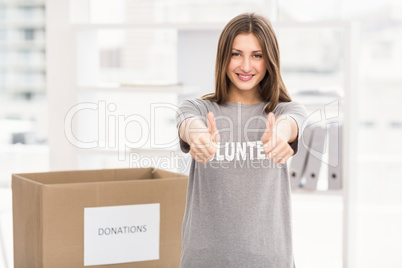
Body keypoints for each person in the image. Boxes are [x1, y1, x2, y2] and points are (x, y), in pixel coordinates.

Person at [176, 12, 307, 268]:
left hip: (270, 260)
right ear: (223, 58)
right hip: (204, 260)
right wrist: (199, 137)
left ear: (269, 61)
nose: (246, 66)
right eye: (236, 54)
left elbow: (291, 124)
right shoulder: (198, 108)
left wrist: (279, 135)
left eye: (256, 55)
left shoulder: (283, 111)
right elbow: (188, 123)